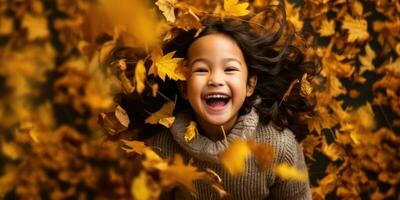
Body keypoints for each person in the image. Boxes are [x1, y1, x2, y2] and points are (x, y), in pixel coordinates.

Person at [144, 5, 317, 200]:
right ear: (183, 87)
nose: (215, 80)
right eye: (201, 70)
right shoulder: (161, 147)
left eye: (230, 69)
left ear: (250, 84)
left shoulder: (279, 146)